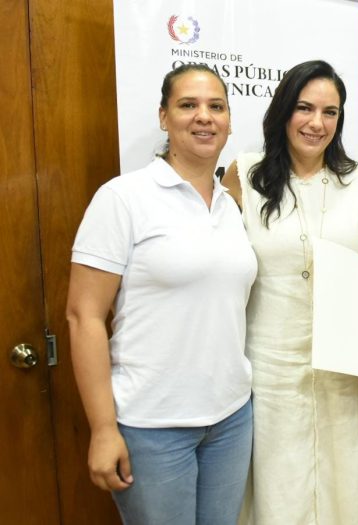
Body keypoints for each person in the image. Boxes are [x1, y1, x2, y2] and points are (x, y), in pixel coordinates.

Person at [65, 64, 257, 524]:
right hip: (152, 427)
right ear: (163, 116)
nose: (204, 116)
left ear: (230, 121)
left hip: (231, 419)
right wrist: (103, 429)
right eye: (188, 105)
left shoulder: (232, 205)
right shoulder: (124, 197)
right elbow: (83, 316)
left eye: (216, 106)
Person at [222, 59, 358, 525]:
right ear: (284, 110)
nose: (317, 123)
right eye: (305, 108)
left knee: (349, 491)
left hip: (346, 372)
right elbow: (223, 274)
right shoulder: (243, 175)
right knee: (280, 493)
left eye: (330, 112)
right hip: (270, 371)